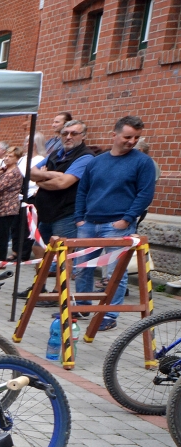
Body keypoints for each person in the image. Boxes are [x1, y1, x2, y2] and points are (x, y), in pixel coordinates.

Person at [73, 116, 157, 329]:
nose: (132, 141)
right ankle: (82, 306)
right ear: (115, 135)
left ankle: (110, 315)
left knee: (114, 273)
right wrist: (79, 218)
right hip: (89, 223)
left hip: (117, 224)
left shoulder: (143, 162)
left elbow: (145, 194)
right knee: (82, 267)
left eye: (136, 137)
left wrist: (127, 219)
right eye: (128, 136)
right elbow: (83, 190)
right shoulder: (96, 161)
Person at [29, 119, 93, 253]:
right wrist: (56, 174)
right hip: (47, 213)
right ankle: (44, 274)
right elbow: (31, 173)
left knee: (62, 255)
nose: (68, 137)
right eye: (65, 134)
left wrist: (41, 180)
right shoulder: (55, 154)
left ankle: (61, 274)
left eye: (74, 133)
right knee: (38, 248)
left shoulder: (85, 157)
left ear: (84, 136)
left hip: (66, 214)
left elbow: (62, 183)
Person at [0, 145, 24, 266]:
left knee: (2, 236)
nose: (6, 158)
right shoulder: (3, 170)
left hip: (6, 209)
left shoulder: (14, 173)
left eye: (10, 156)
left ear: (17, 159)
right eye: (6, 155)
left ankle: (1, 261)